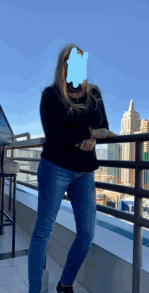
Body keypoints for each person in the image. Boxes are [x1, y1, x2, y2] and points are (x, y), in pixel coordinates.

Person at [28, 43, 117, 293]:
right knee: (43, 232)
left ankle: (65, 283)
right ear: (63, 65)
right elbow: (55, 133)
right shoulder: (51, 95)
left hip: (85, 172)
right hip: (55, 168)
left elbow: (105, 127)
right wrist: (90, 131)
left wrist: (93, 137)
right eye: (70, 61)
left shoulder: (95, 94)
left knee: (87, 234)